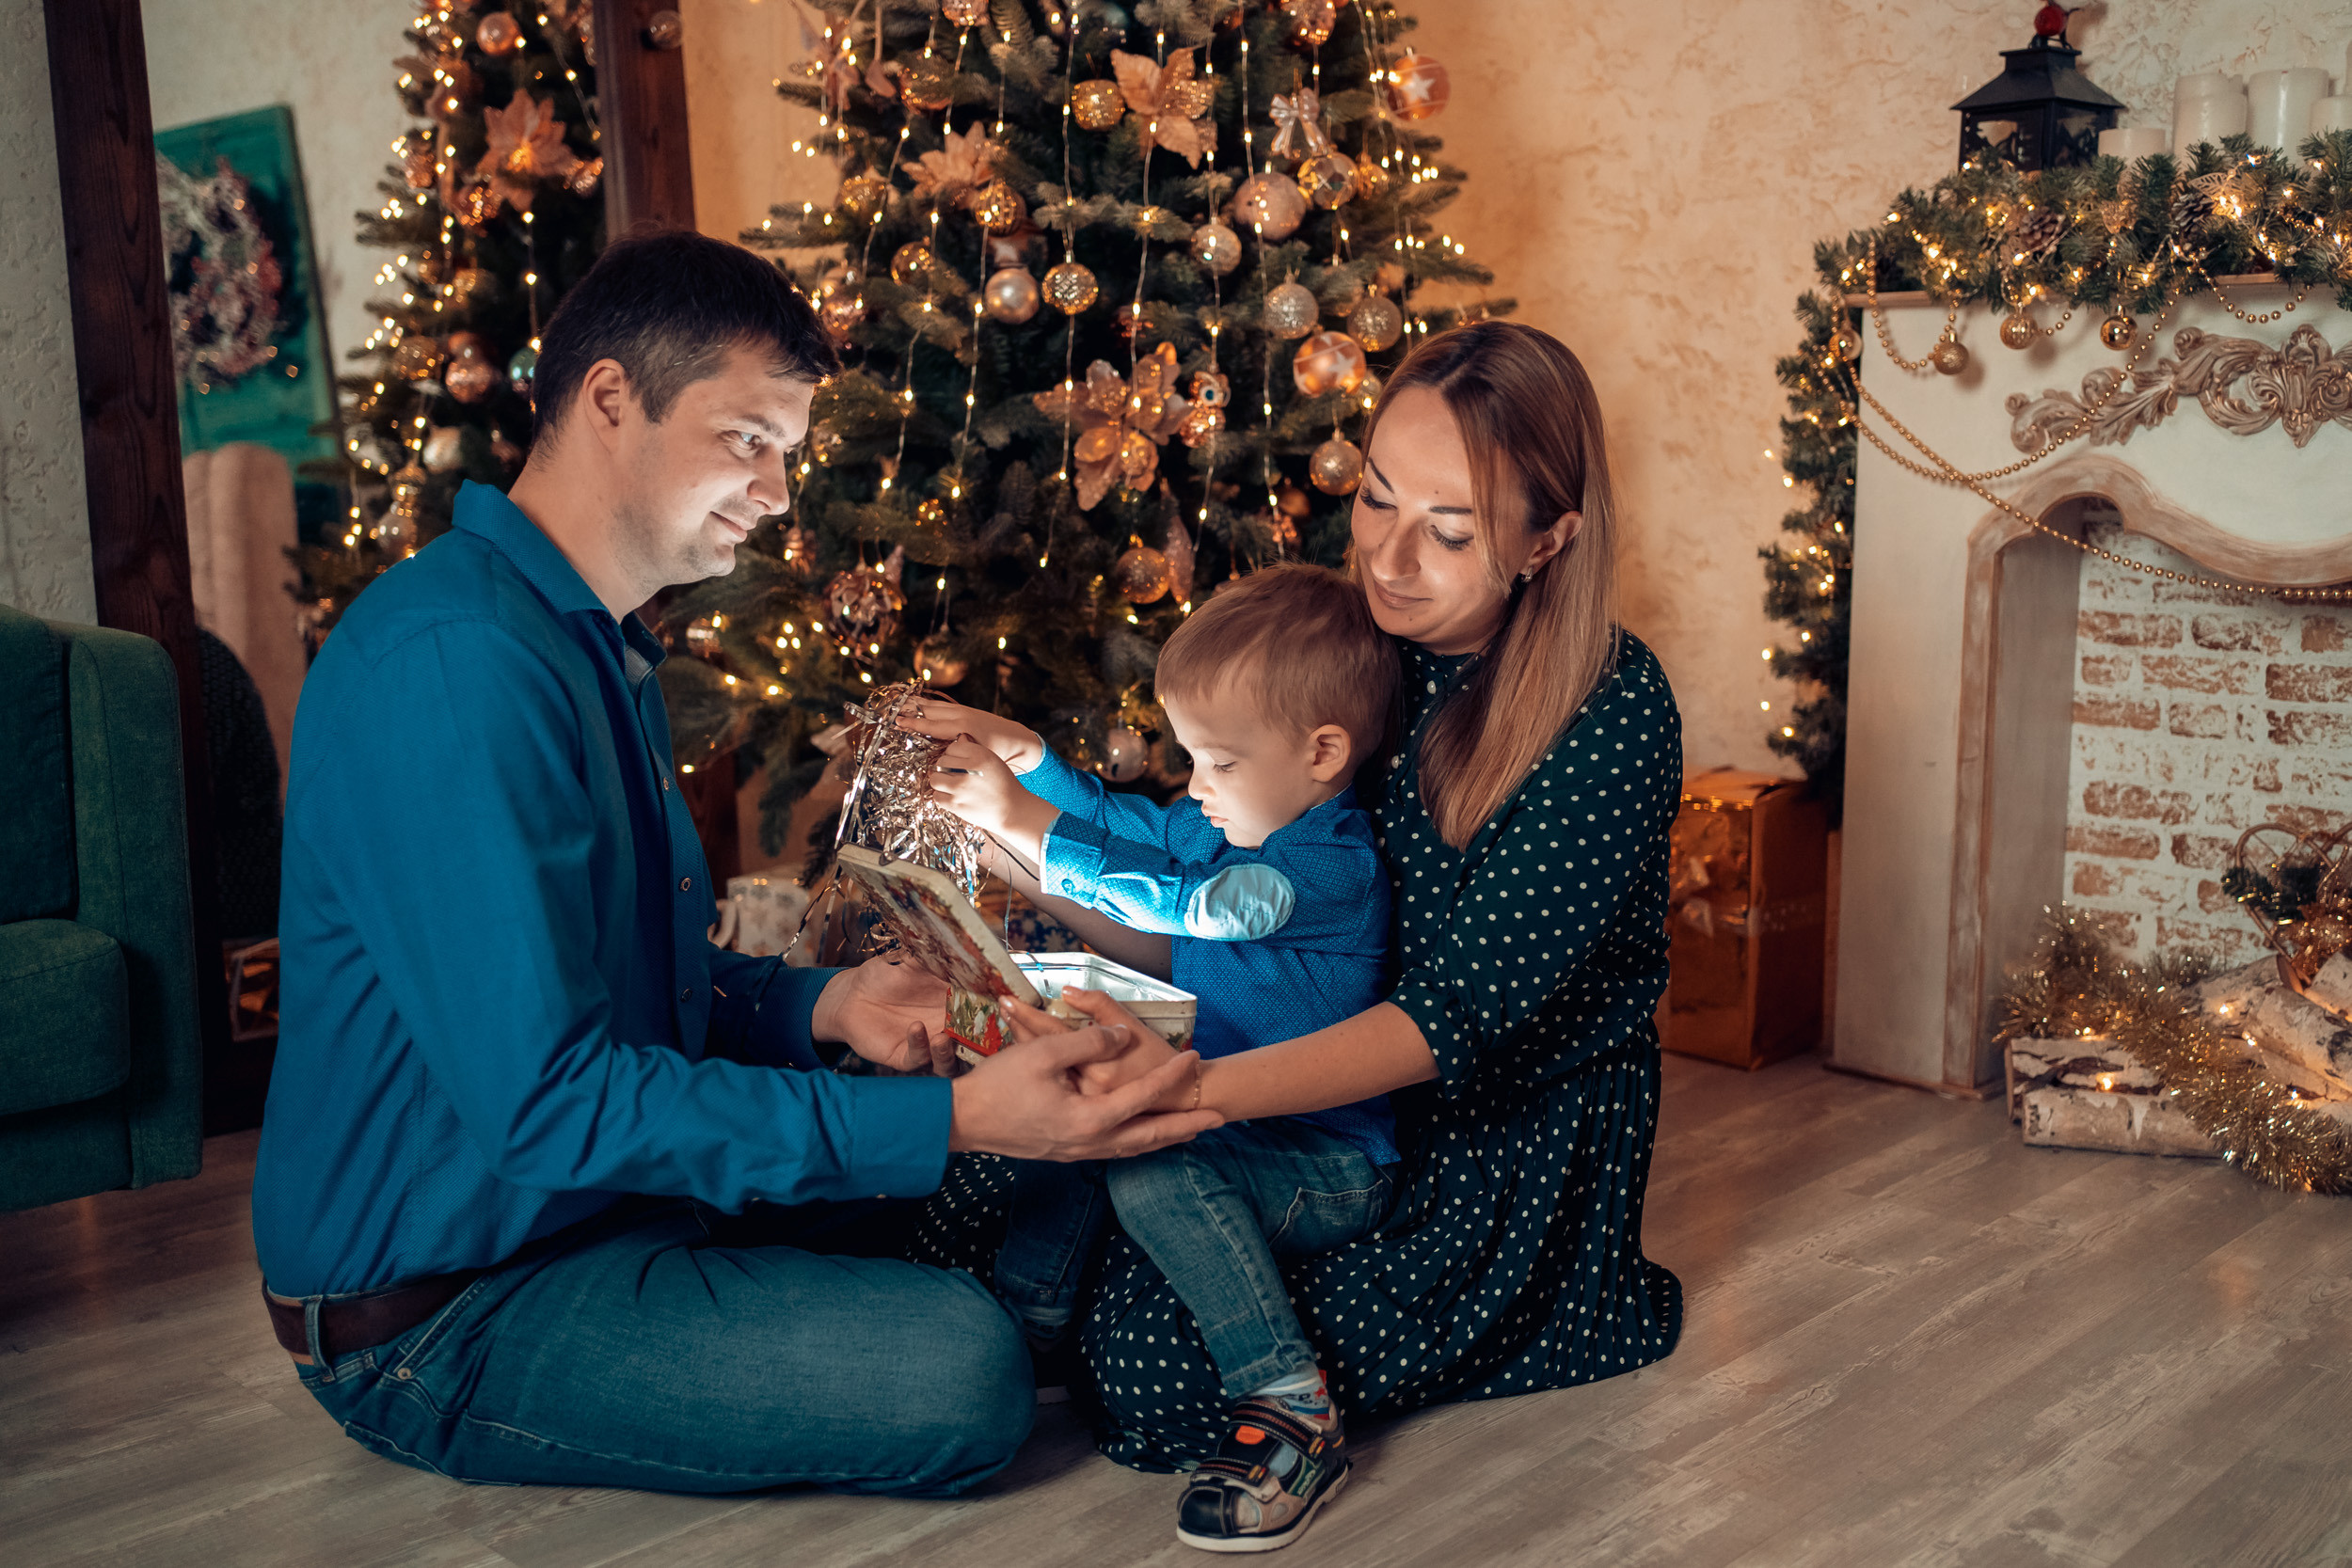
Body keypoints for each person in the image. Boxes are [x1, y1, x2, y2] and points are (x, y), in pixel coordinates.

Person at [250, 230, 1215, 1497]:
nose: (776, 490)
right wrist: (954, 1112)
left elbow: (633, 981)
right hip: (448, 1304)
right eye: (746, 438)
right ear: (609, 399)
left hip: (608, 1207)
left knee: (1037, 1159)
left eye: (787, 453)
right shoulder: (458, 663)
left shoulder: (592, 646)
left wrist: (829, 1002)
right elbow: (553, 1099)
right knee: (958, 1374)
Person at [913, 319, 1686, 1476]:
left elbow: (1450, 1021)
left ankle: (1281, 1397)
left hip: (1480, 1142)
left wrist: (1188, 1093)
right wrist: (1009, 834)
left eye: (1451, 529)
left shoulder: (1606, 713)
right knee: (989, 1178)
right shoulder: (1349, 649)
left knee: (1147, 1365)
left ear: (1547, 539)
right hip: (1286, 1087)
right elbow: (1200, 909)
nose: (1388, 557)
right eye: (1376, 498)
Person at [907, 563, 1399, 1551]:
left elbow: (1183, 902)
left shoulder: (1320, 867)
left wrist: (1023, 823)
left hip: (1325, 1162)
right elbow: (1137, 824)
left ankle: (1291, 1403)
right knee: (1089, 1102)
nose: (1195, 785)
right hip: (1228, 1117)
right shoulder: (1232, 816)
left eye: (1215, 761)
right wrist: (1032, 759)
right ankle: (1028, 1324)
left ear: (1322, 751)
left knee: (1150, 1148)